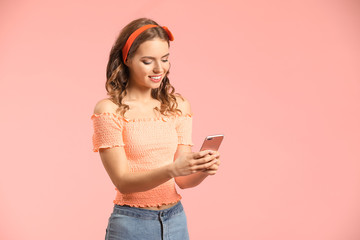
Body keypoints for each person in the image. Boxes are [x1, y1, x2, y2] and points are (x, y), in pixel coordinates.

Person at [90, 17, 221, 240]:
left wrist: (202, 170)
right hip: (131, 224)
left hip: (176, 220)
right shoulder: (109, 109)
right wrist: (172, 169)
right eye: (148, 61)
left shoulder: (178, 106)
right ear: (128, 59)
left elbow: (183, 180)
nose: (159, 68)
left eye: (165, 59)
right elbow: (122, 181)